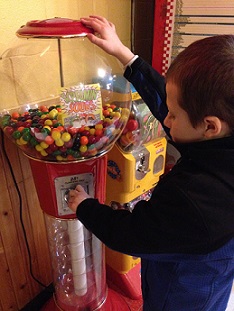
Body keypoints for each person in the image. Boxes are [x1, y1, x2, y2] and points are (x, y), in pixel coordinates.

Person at [68, 16, 234, 311]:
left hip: (182, 293)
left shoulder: (197, 198)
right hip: (213, 271)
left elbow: (132, 235)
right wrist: (124, 54)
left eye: (173, 115)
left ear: (210, 127)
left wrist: (86, 207)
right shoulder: (219, 138)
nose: (166, 122)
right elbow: (171, 103)